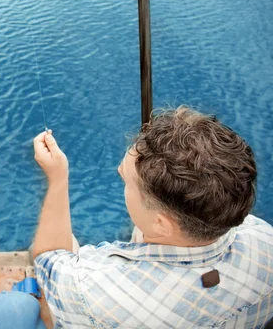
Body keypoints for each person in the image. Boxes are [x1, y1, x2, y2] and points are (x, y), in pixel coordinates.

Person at [31, 106, 273, 328]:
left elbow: (49, 262)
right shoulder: (265, 242)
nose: (119, 173)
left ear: (161, 223)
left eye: (125, 180)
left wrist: (57, 177)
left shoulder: (96, 290)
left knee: (17, 309)